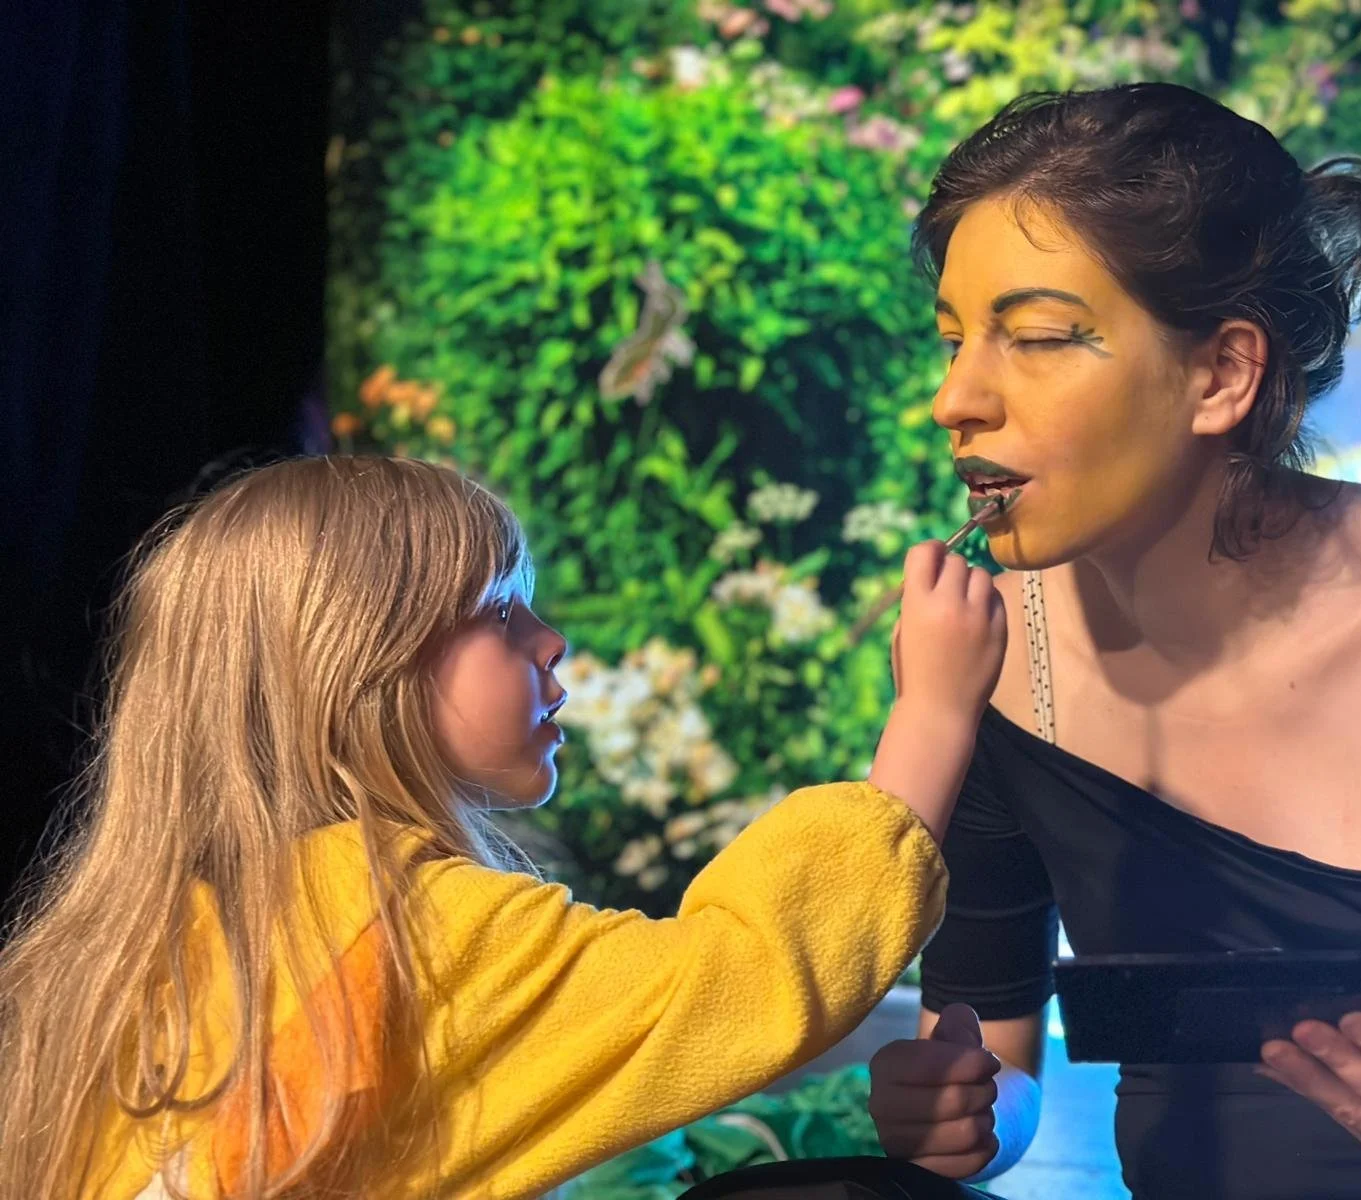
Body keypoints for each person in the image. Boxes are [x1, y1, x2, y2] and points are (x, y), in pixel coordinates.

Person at [865, 84, 1361, 1199]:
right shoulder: (990, 658)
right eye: (955, 340)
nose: (954, 399)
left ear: (1221, 375)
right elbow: (993, 1059)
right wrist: (962, 1111)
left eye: (1038, 338)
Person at [0, 455, 1008, 1199]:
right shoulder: (401, 927)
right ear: (360, 667)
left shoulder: (134, 951)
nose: (550, 641)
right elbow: (741, 979)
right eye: (500, 613)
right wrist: (932, 714)